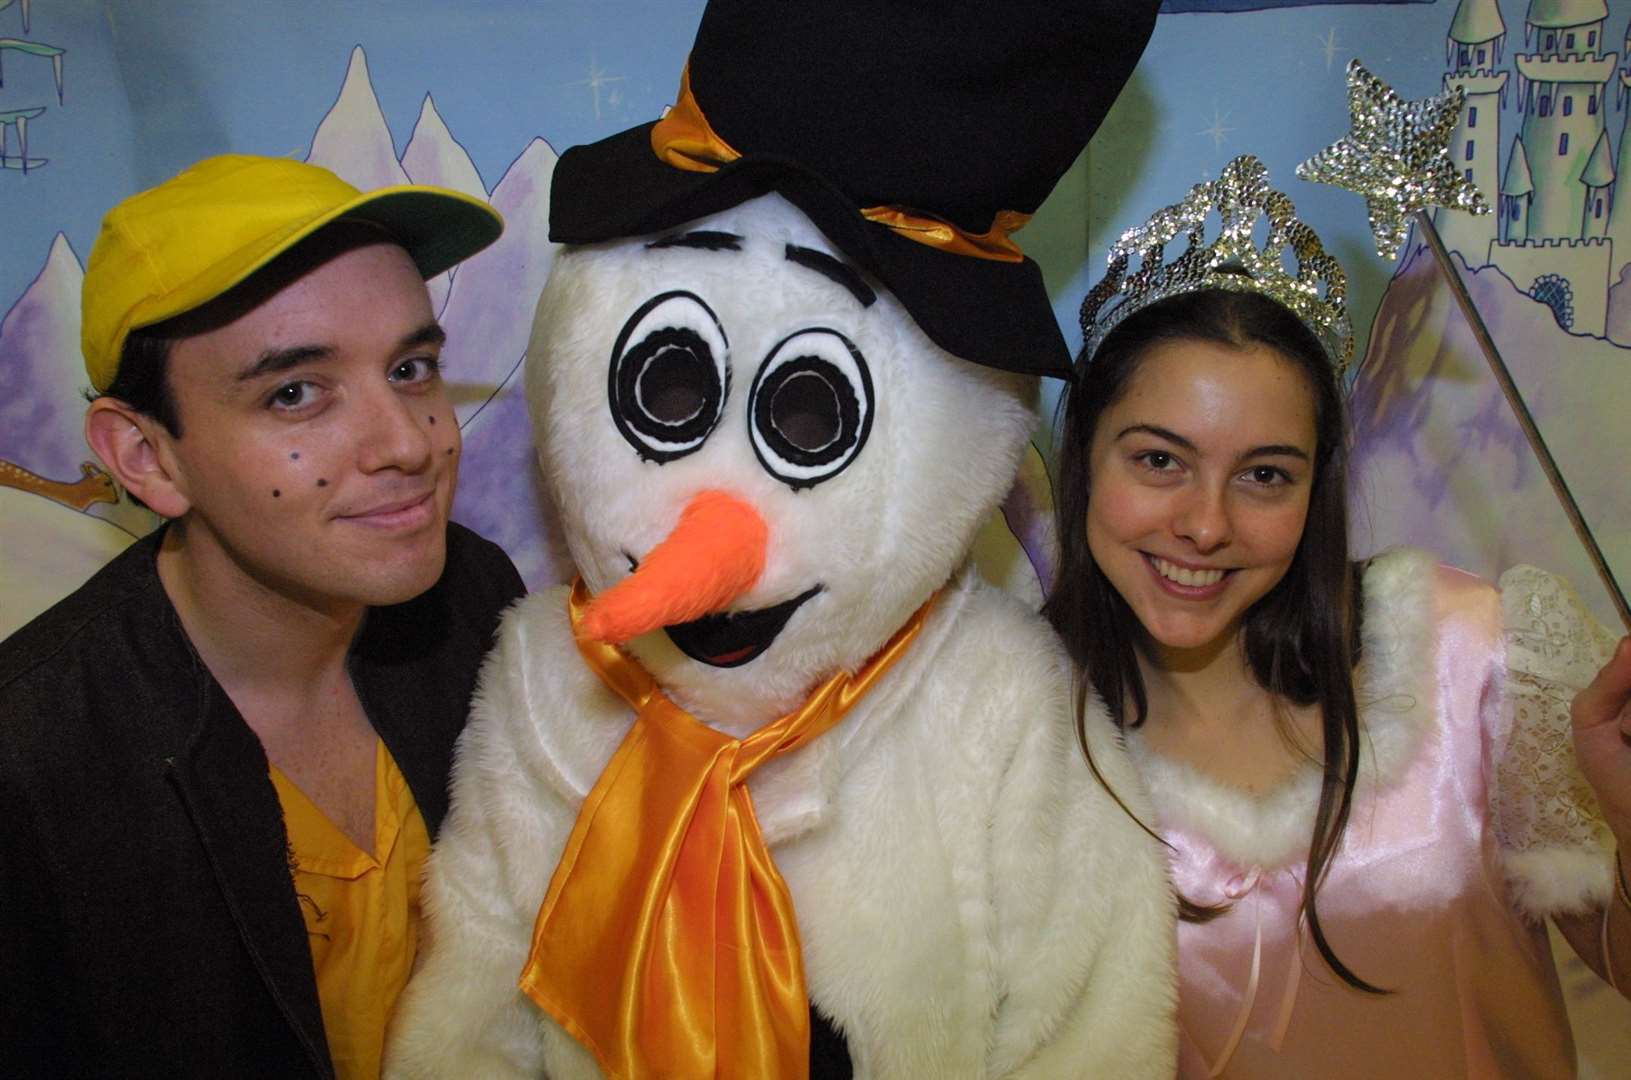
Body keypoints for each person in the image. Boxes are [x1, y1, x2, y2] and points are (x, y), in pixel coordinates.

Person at [1046, 155, 1631, 1077]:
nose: (1205, 525)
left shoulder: (1467, 656)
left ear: (1316, 487)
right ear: (1084, 455)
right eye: (1158, 460)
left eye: (1264, 475)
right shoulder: (1014, 729)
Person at [0, 155, 524, 1078]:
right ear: (146, 457)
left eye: (412, 368)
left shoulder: (474, 598)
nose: (409, 444)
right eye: (295, 392)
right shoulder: (35, 762)